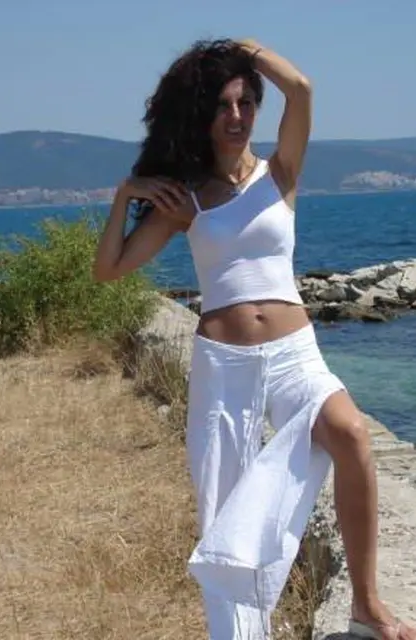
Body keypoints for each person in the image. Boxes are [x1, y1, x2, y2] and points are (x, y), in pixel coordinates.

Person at [93, 38, 416, 640]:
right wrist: (124, 195)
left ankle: (368, 605)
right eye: (222, 104)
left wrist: (240, 50)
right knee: (223, 514)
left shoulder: (281, 173)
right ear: (203, 114)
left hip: (295, 355)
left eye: (245, 102)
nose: (236, 116)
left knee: (350, 433)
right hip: (225, 367)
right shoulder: (186, 197)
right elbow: (109, 268)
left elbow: (302, 89)